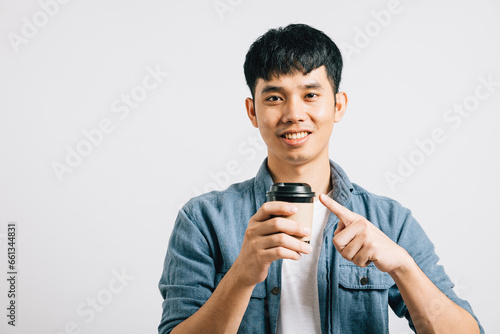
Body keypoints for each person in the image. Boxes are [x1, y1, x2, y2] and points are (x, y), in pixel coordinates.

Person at [158, 23, 483, 333]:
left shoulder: (389, 220)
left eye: (310, 95)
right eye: (274, 97)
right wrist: (242, 274)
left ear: (338, 105)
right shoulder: (202, 219)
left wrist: (403, 267)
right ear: (252, 111)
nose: (293, 113)